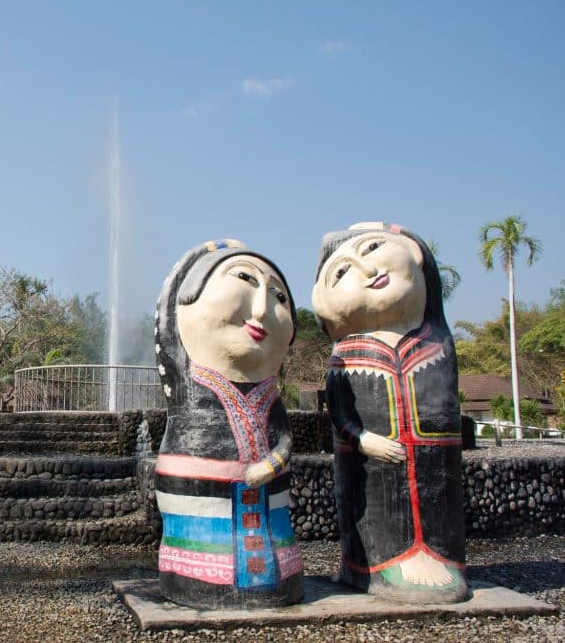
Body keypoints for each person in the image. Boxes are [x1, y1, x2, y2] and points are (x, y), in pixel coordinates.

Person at [311, 222, 468, 604]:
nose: (367, 269)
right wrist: (363, 439)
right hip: (371, 459)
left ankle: (441, 558)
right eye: (341, 272)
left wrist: (392, 228)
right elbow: (340, 413)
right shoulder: (346, 355)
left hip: (434, 457)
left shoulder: (436, 340)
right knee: (377, 510)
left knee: (437, 506)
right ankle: (369, 566)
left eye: (374, 248)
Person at [154, 239, 304, 609]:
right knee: (205, 547)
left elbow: (284, 437)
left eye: (279, 297)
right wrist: (208, 249)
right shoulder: (189, 386)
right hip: (199, 501)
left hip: (269, 503)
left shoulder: (270, 395)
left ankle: (276, 577)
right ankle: (197, 576)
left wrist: (273, 463)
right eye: (243, 278)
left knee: (273, 543)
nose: (262, 309)